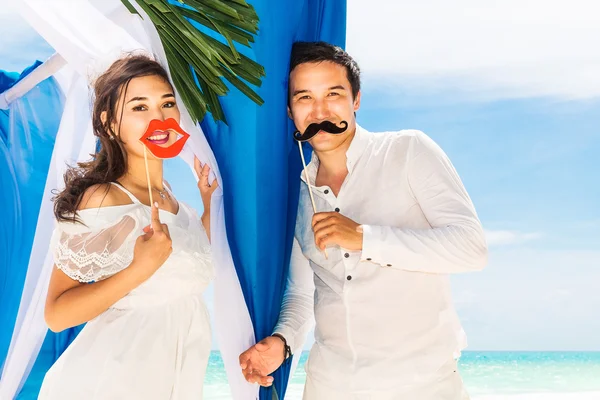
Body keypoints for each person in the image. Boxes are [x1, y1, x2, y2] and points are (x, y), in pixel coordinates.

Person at [239, 41, 488, 399]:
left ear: (356, 100)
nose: (319, 110)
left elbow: (471, 248)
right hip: (329, 386)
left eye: (333, 94)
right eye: (304, 97)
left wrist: (364, 238)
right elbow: (302, 291)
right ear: (290, 110)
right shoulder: (294, 195)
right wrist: (283, 341)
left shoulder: (408, 151)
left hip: (424, 386)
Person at [38, 54, 218, 399]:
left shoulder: (173, 198)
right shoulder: (104, 199)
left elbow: (183, 268)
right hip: (112, 382)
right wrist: (140, 268)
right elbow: (57, 315)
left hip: (173, 380)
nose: (160, 118)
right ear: (109, 124)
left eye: (167, 103)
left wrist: (207, 205)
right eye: (140, 107)